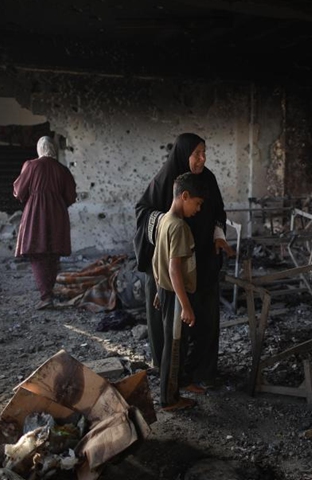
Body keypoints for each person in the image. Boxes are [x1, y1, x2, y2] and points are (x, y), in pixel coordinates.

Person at [134, 133, 234, 392]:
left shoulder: (208, 179)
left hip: (202, 260)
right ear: (183, 153)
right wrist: (171, 225)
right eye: (197, 153)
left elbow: (218, 211)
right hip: (172, 264)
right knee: (174, 323)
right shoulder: (165, 182)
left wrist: (218, 235)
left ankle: (202, 371)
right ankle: (173, 377)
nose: (203, 158)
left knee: (204, 316)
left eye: (205, 153)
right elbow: (144, 213)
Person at [152, 172, 205, 411]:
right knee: (173, 348)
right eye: (197, 203)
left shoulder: (164, 219)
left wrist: (158, 289)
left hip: (166, 291)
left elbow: (157, 260)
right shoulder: (180, 227)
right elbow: (174, 269)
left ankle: (177, 387)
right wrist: (185, 305)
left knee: (178, 345)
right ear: (185, 196)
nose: (199, 209)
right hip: (175, 296)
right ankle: (169, 400)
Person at [14, 136, 77, 310]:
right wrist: (56, 202)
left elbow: (19, 191)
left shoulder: (31, 165)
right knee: (53, 251)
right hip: (58, 212)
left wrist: (35, 197)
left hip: (36, 212)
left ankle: (46, 295)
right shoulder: (62, 170)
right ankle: (48, 290)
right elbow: (71, 196)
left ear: (39, 149)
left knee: (37, 251)